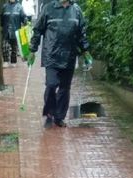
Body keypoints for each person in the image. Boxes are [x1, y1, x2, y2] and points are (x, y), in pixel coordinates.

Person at [28, 0, 91, 128]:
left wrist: (85, 51)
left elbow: (81, 33)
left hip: (69, 55)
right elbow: (37, 30)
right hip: (51, 54)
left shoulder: (77, 10)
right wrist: (32, 50)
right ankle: (50, 114)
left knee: (64, 87)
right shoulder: (48, 9)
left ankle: (59, 117)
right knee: (51, 84)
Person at [1, 0, 27, 66]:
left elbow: (23, 18)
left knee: (14, 48)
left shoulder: (19, 7)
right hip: (6, 31)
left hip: (15, 30)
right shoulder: (5, 7)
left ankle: (13, 61)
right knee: (4, 46)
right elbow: (1, 18)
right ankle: (6, 61)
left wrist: (26, 22)